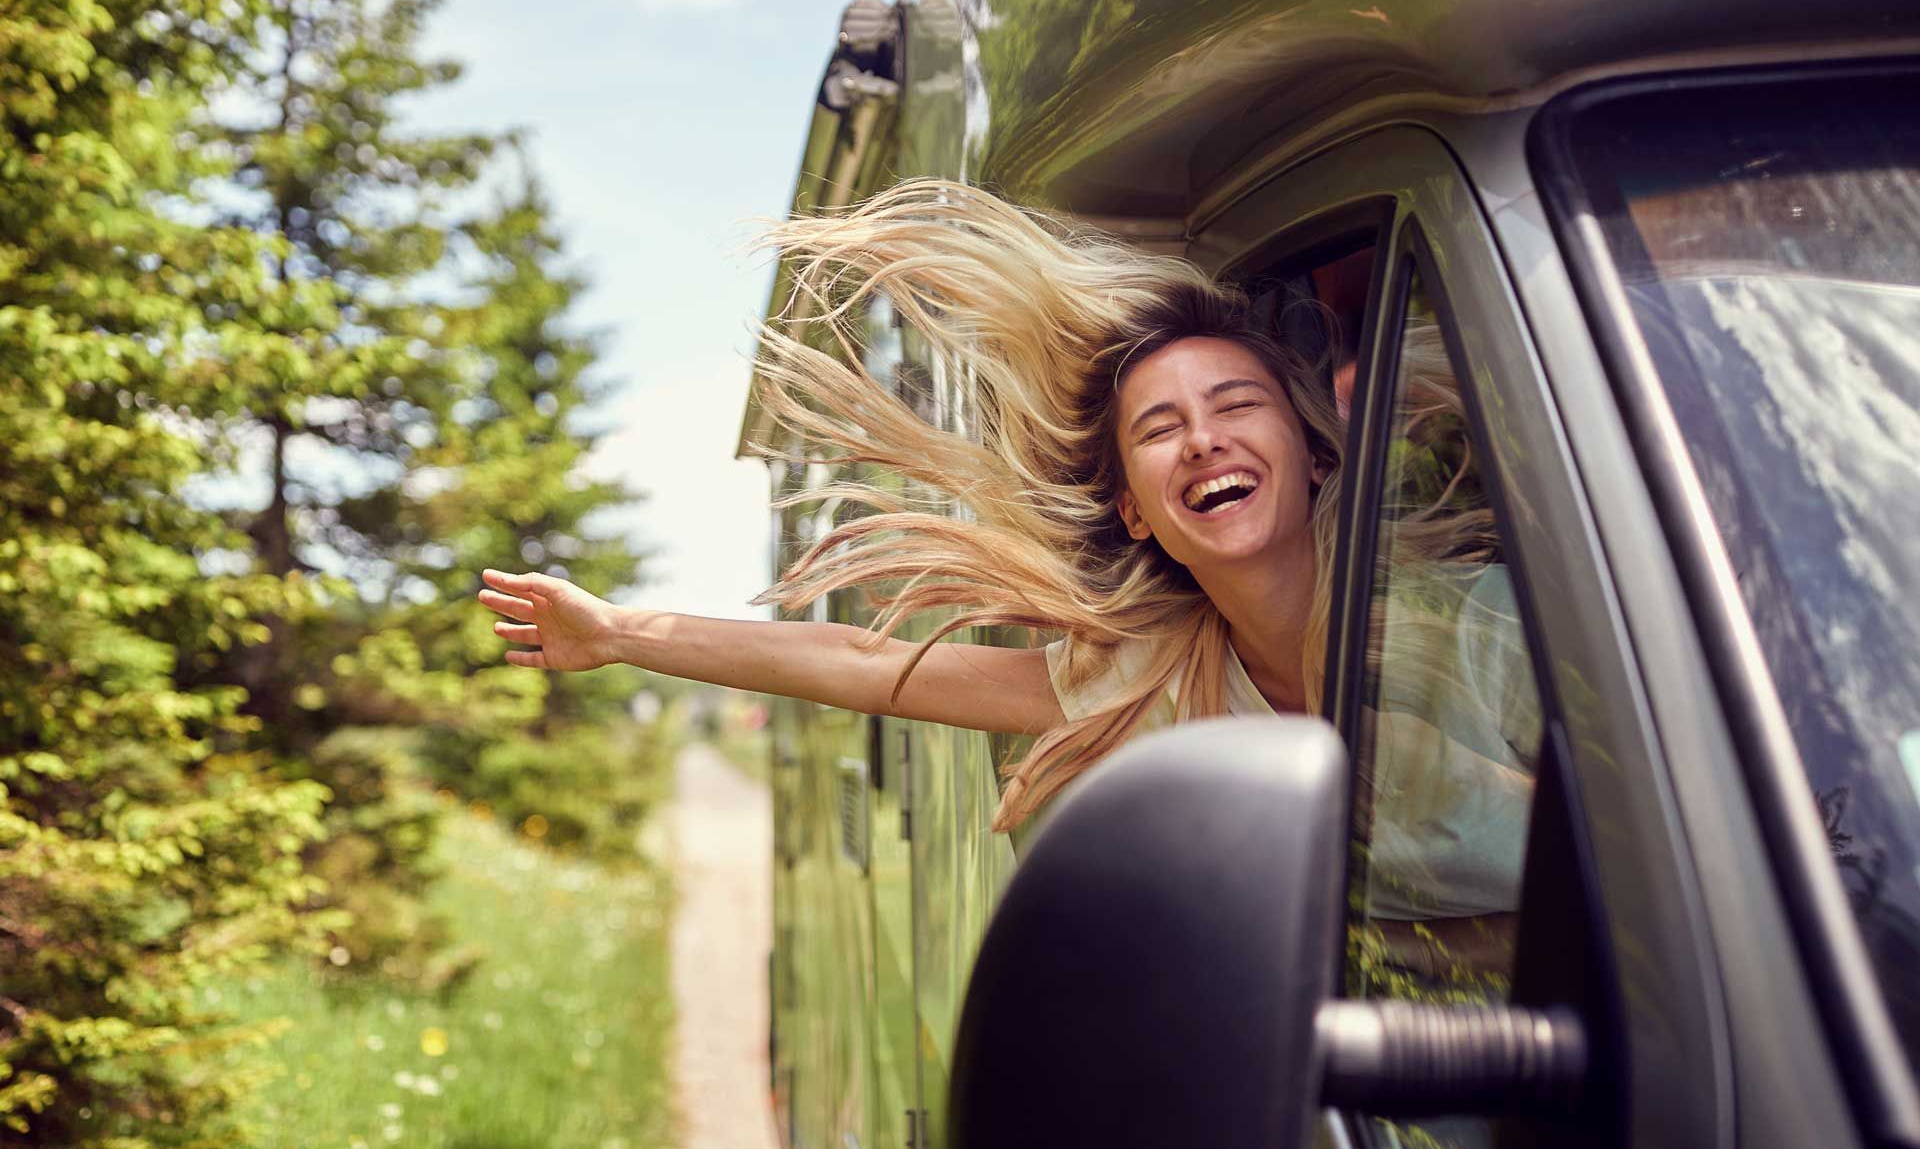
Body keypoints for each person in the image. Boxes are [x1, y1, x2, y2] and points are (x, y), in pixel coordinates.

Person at [476, 179, 1530, 926]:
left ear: (1307, 452)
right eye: (1160, 427)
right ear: (1134, 511)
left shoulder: (1485, 629)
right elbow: (861, 663)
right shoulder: (1154, 678)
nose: (1203, 437)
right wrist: (618, 633)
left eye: (1236, 404)